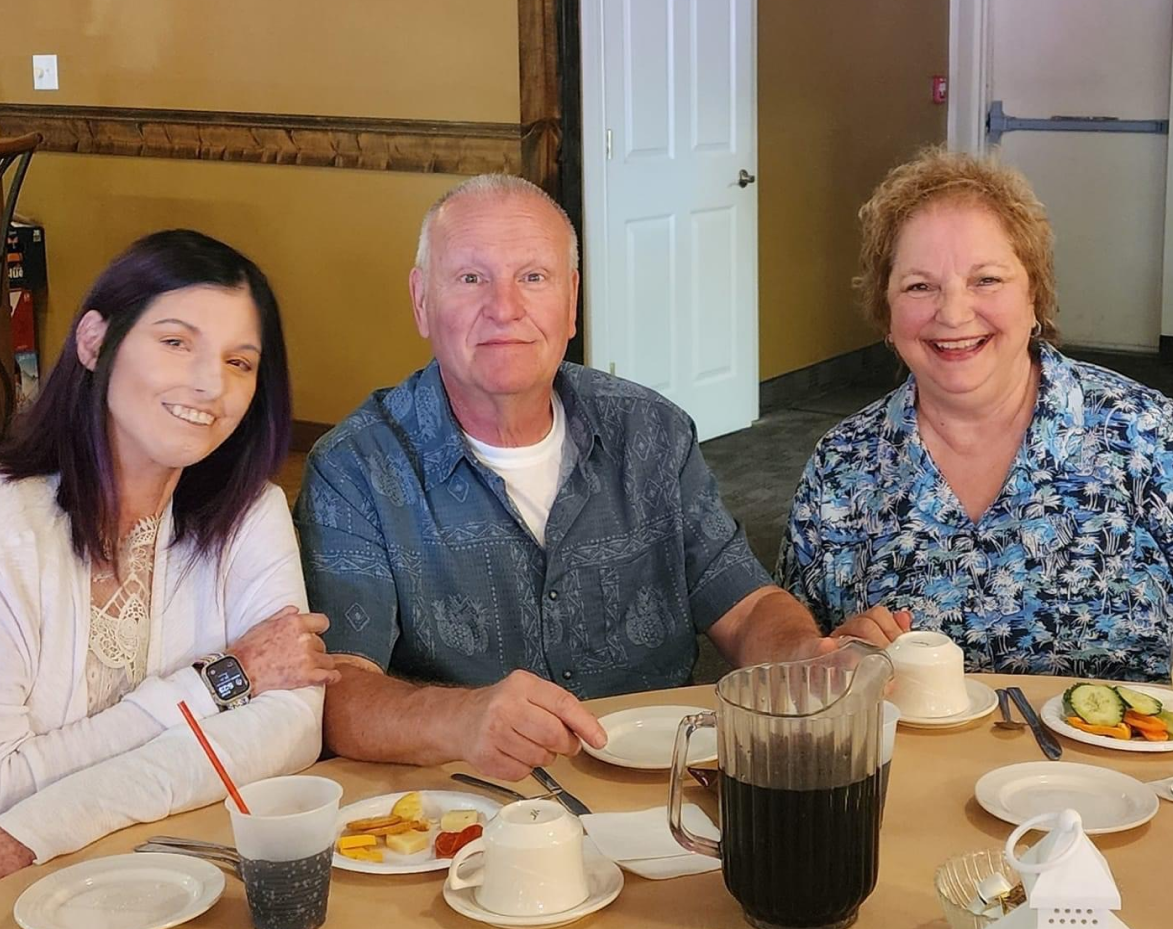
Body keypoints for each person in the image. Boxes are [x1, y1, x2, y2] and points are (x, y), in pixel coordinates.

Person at [297, 174, 894, 781]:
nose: (504, 308)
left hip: (659, 792)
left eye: (533, 277)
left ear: (571, 300)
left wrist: (803, 658)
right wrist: (461, 718)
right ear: (422, 299)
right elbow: (340, 691)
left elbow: (743, 606)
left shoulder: (651, 431)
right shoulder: (355, 467)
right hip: (470, 808)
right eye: (471, 278)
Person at [0, 230, 337, 929]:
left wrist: (46, 820)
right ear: (95, 342)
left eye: (238, 362)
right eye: (176, 342)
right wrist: (221, 680)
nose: (209, 384)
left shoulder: (249, 514)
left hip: (137, 893)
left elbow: (290, 730)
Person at [778, 147, 1173, 681]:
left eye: (986, 280)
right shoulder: (842, 466)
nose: (954, 313)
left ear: (1035, 294)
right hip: (914, 765)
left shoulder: (1149, 437)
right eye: (920, 286)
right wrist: (834, 655)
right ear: (886, 314)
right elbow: (802, 674)